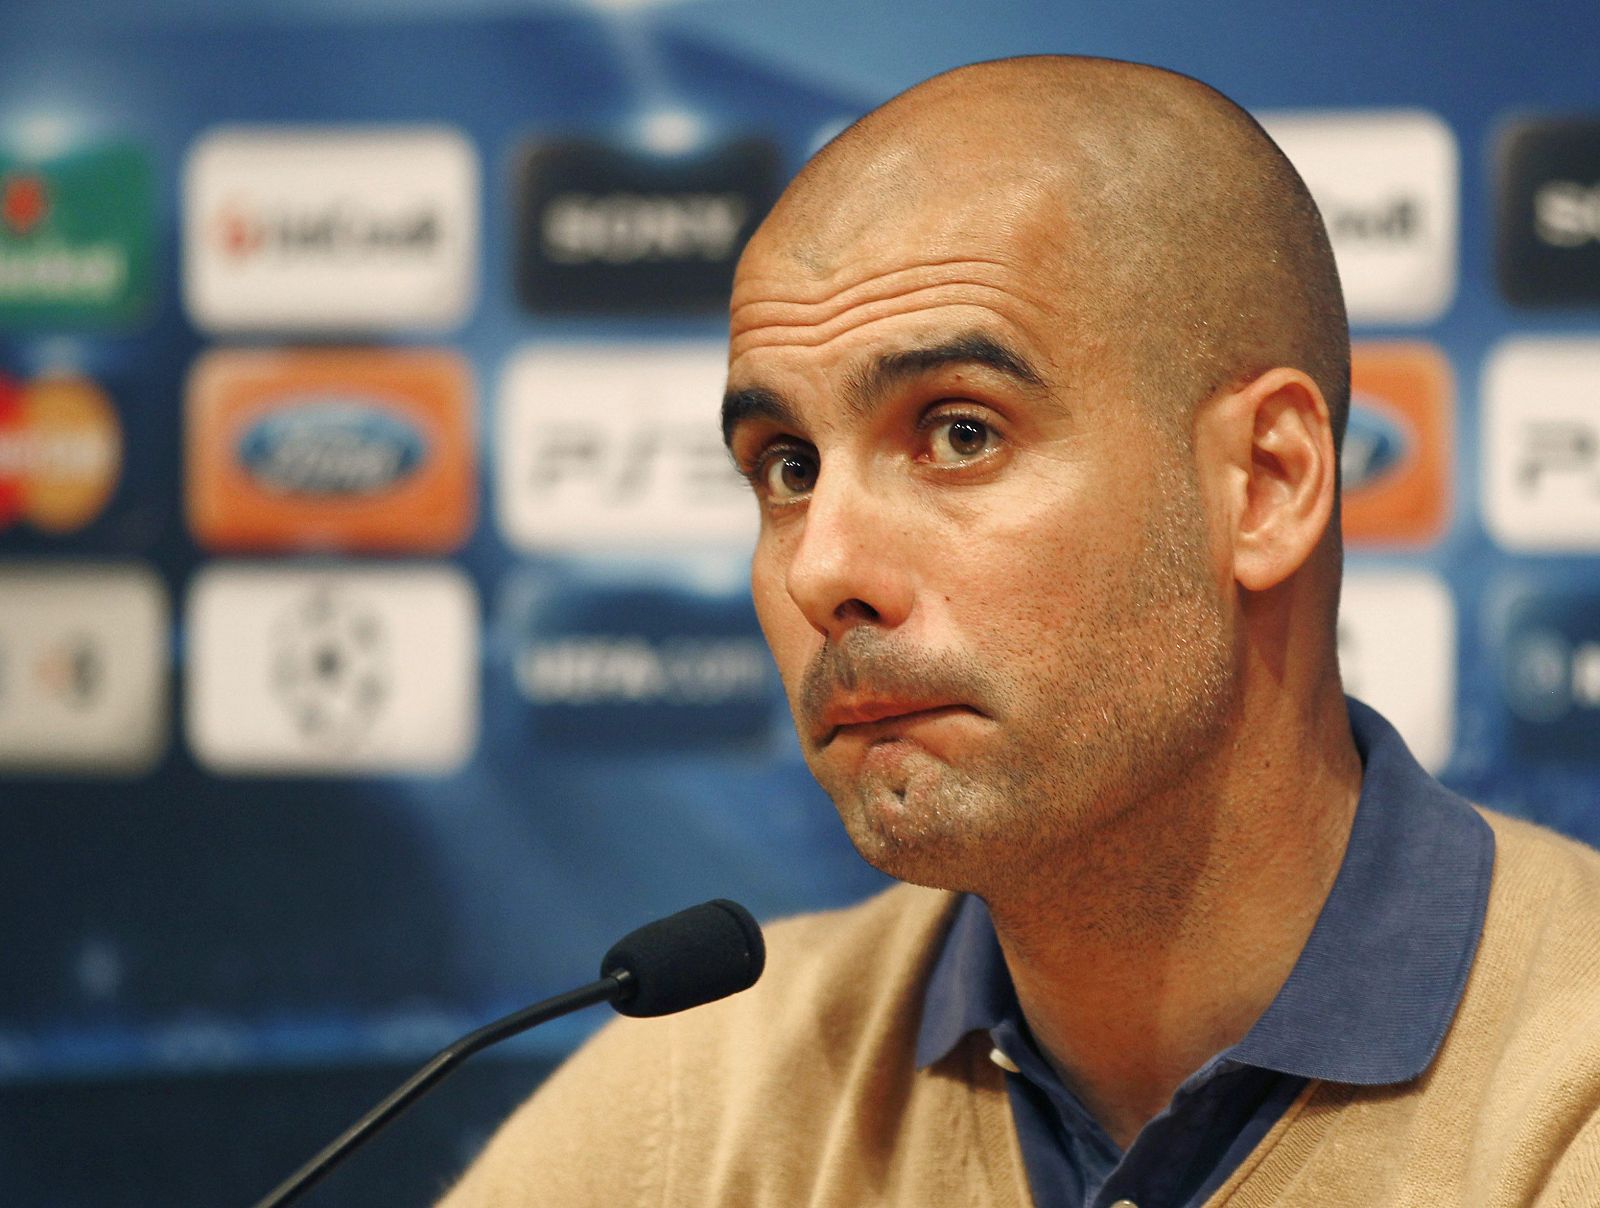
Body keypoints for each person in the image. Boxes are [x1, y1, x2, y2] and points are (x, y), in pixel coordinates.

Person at [441, 56, 1600, 1206]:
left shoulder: (1565, 1092)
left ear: (1264, 482)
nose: (821, 567)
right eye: (787, 467)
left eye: (957, 433)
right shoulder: (690, 1105)